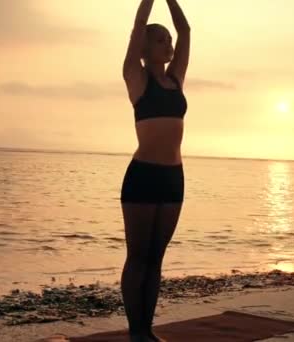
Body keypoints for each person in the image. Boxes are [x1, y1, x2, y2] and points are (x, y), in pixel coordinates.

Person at [119, 0, 190, 341]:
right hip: (143, 175)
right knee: (138, 257)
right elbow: (138, 25)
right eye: (160, 39)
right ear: (145, 48)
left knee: (156, 259)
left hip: (174, 178)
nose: (169, 43)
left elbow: (186, 31)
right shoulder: (136, 76)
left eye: (167, 40)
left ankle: (147, 330)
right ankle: (136, 333)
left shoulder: (176, 80)